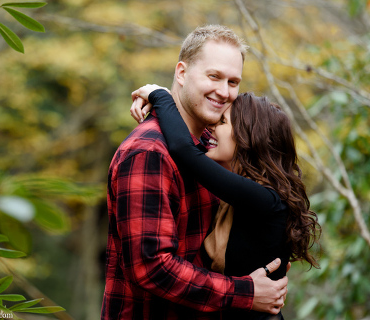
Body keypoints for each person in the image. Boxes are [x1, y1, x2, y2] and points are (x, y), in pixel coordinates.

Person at [101, 24, 288, 320]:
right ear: (182, 73)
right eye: (213, 76)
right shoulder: (150, 153)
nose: (224, 92)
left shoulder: (209, 150)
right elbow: (152, 268)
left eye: (233, 81)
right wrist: (245, 293)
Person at [129, 86, 321, 319]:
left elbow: (184, 150)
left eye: (221, 123)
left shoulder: (263, 198)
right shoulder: (250, 194)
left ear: (247, 138)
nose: (210, 128)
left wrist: (160, 96)